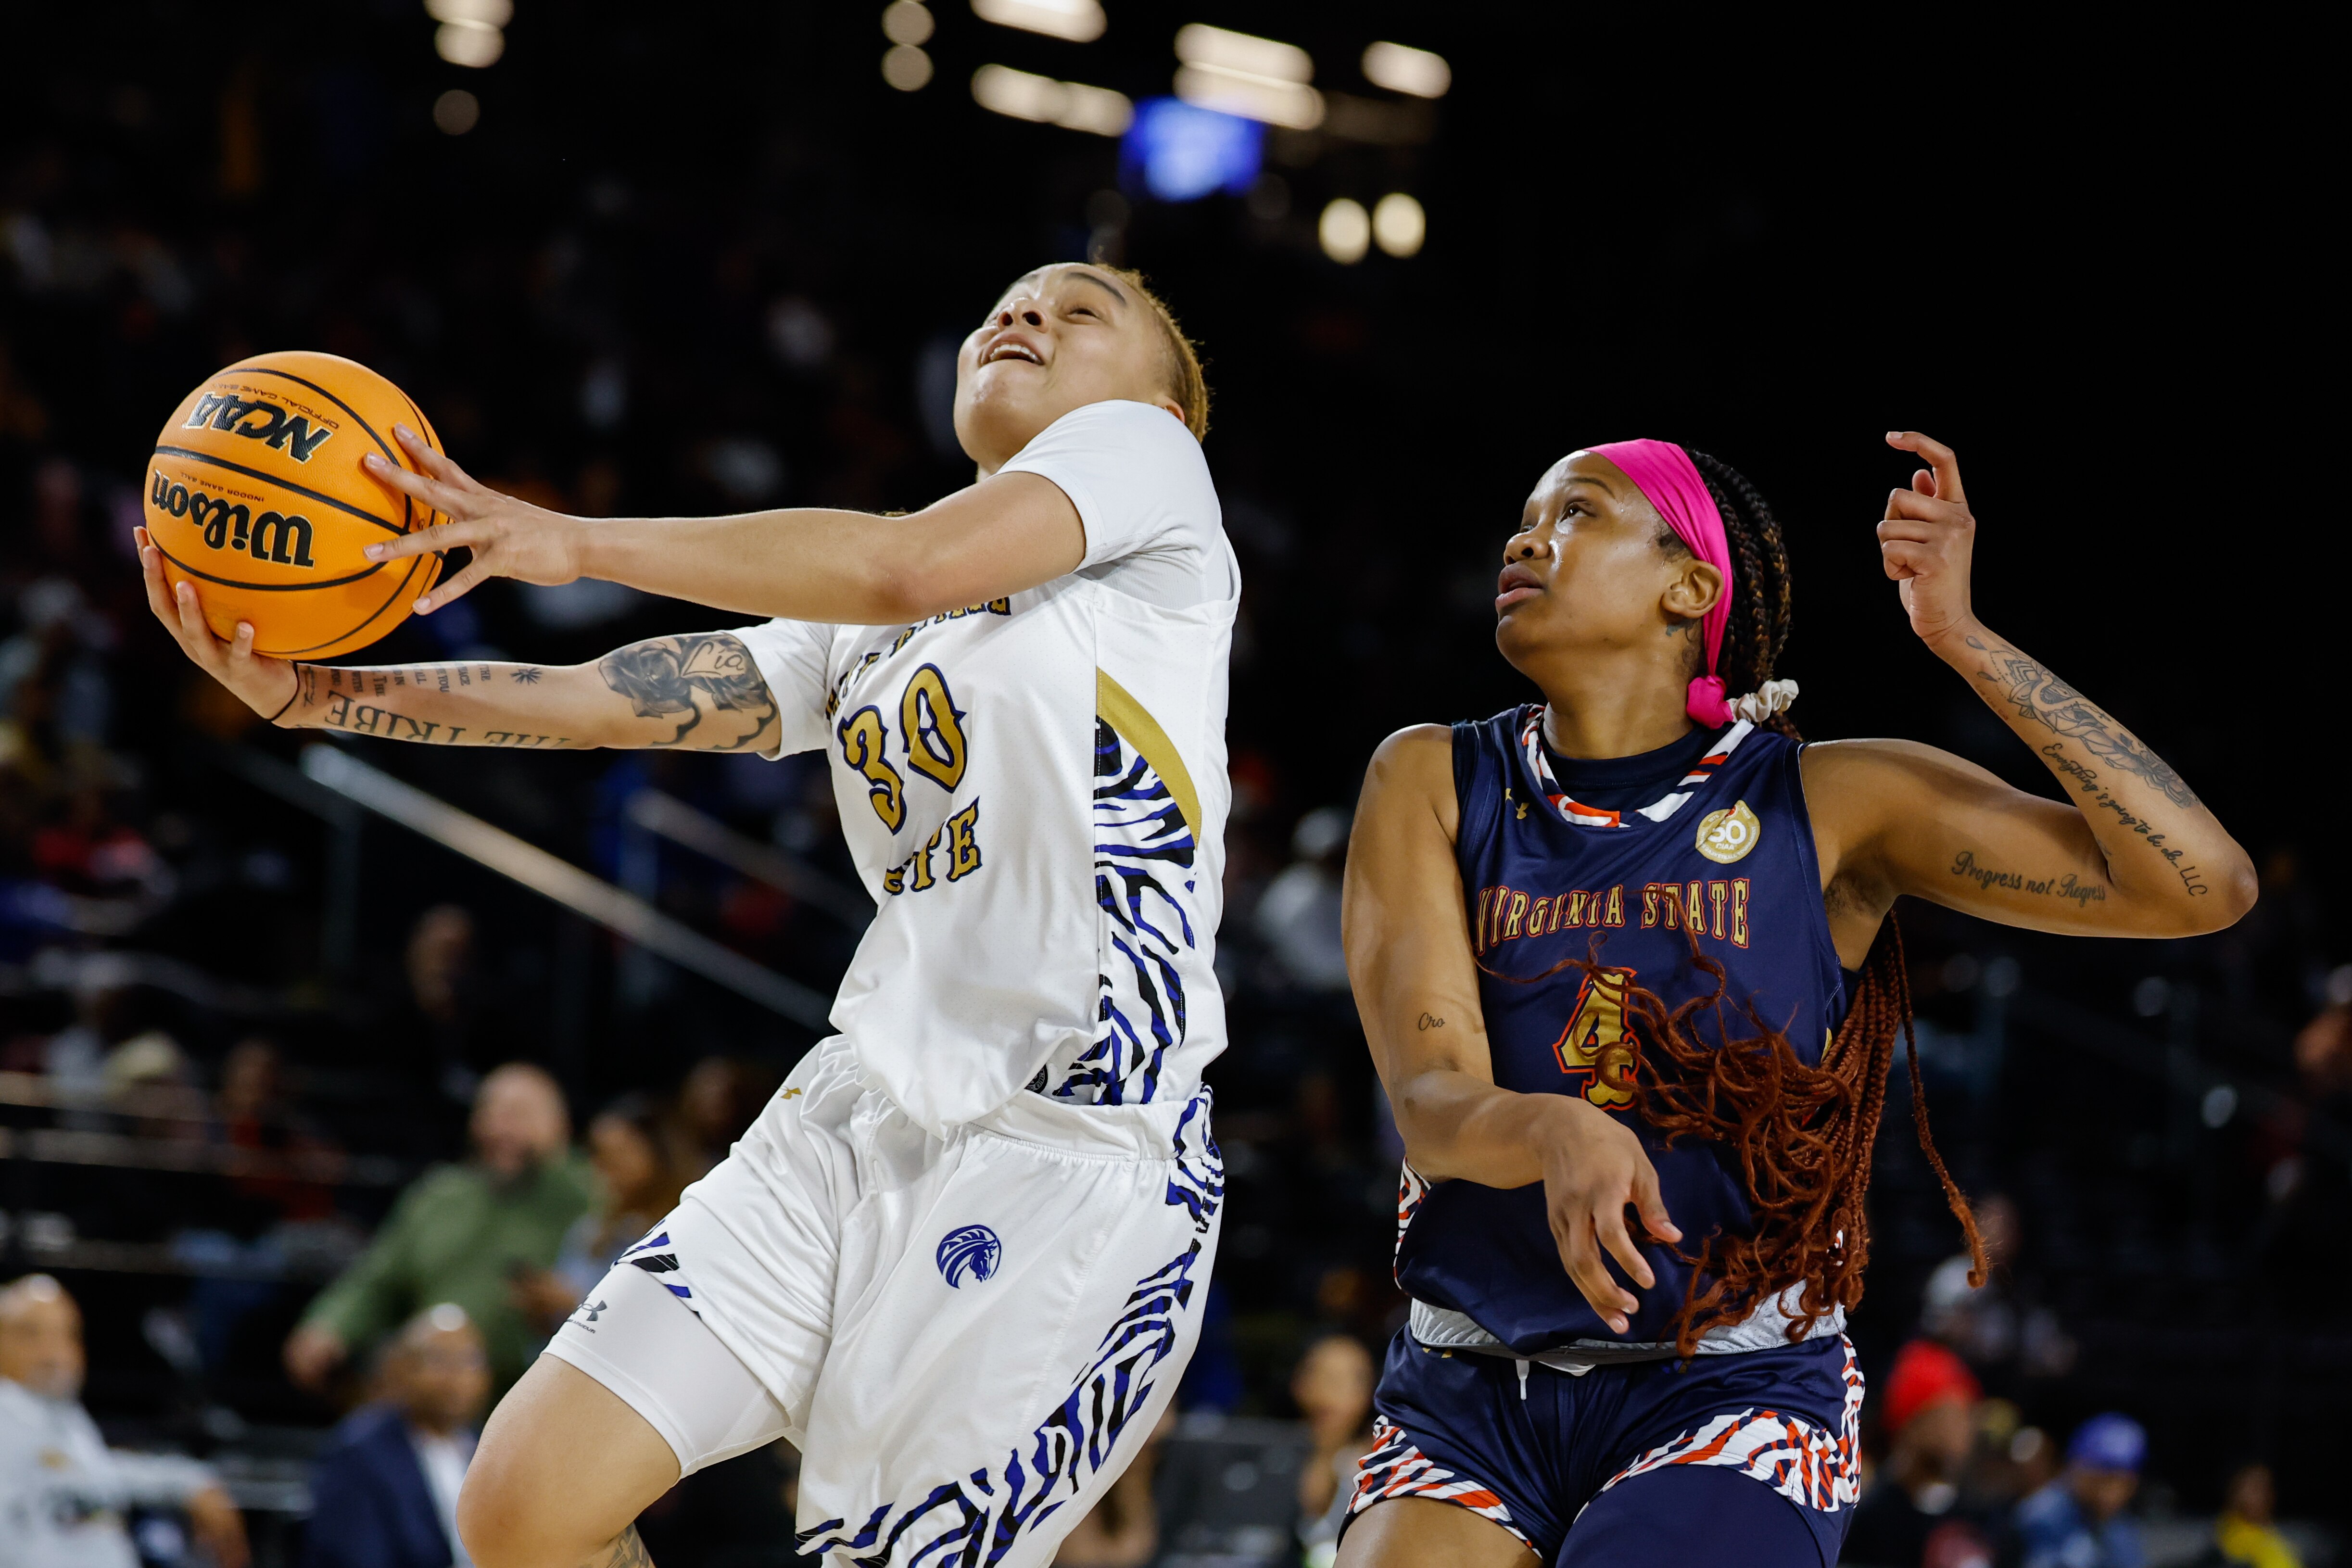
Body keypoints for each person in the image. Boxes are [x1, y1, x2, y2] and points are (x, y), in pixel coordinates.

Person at [143, 261, 1236, 1568]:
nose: (1023, 316)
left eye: (1077, 311)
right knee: (523, 1508)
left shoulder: (1146, 472)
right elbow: (618, 693)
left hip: (1073, 1144)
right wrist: (323, 698)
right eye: (1007, 302)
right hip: (860, 1110)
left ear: (1161, 408)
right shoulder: (877, 622)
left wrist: (571, 540)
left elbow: (901, 564)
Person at [1338, 434, 2255, 1568]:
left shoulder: (1824, 803)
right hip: (1466, 1384)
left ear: (1690, 586)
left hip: (1729, 1386)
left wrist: (1961, 641)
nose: (1525, 537)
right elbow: (1430, 1097)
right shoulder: (1430, 775)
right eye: (1526, 516)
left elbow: (2198, 882)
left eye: (1576, 512)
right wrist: (1550, 1123)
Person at [285, 1063, 594, 1399]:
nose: (501, 1128)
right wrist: (330, 1326)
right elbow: (377, 1280)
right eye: (490, 1113)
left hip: (534, 1396)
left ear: (560, 1127)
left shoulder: (589, 1200)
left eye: (519, 1115)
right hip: (428, 1395)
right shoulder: (440, 1197)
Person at [0, 1273, 250, 1568]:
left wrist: (190, 1483)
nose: (54, 1353)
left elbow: (94, 1475)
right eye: (31, 1334)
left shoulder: (57, 1412)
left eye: (69, 1335)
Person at [305, 1303, 493, 1568]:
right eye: (439, 1360)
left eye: (470, 1361)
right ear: (402, 1370)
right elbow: (356, 1557)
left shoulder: (490, 1449)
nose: (457, 1376)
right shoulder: (359, 1454)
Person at [510, 1093, 689, 1331]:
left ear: (659, 1156)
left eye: (620, 1154)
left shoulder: (680, 1233)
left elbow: (663, 1325)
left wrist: (575, 1305)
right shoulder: (586, 1232)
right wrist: (543, 1309)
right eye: (599, 1155)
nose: (605, 1169)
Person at [1843, 1340, 1987, 1568]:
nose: (1963, 1430)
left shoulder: (1982, 1515)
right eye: (1949, 1416)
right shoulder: (1873, 1519)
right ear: (1911, 1425)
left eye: (1967, 1415)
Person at [2012, 1413, 2147, 1568]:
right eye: (2104, 1475)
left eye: (2124, 1481)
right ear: (2078, 1468)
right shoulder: (2043, 1513)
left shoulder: (2119, 1527)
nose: (2113, 1491)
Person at [1291, 1334, 1378, 1568]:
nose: (1331, 1391)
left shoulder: (1380, 1469)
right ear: (1299, 1384)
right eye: (1323, 1377)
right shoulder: (1273, 1458)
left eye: (1346, 1381)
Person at [2212, 1463, 2300, 1568]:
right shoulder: (2230, 1534)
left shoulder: (2273, 1533)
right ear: (2236, 1492)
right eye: (2255, 1488)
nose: (2263, 1495)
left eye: (2267, 1486)